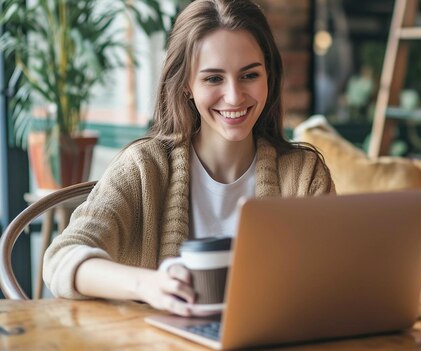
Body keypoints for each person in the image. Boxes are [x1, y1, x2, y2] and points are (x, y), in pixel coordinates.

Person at [43, 0, 334, 317]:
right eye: (213, 78)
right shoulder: (144, 168)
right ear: (186, 85)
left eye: (249, 75)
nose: (234, 96)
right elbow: (61, 258)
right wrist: (150, 286)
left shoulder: (304, 174)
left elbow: (337, 276)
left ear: (269, 76)